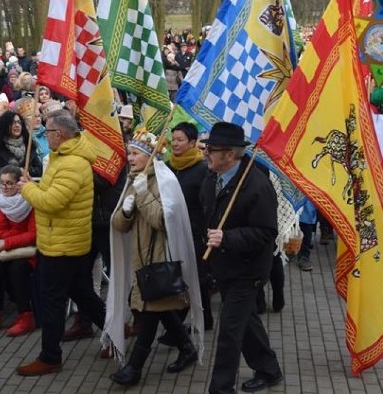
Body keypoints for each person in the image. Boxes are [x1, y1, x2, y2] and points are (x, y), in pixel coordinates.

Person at [103, 131, 202, 387]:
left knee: (148, 312)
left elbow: (161, 219)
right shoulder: (134, 179)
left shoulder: (164, 181)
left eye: (135, 153)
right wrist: (125, 213)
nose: (130, 158)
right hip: (140, 260)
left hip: (159, 258)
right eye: (130, 153)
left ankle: (134, 369)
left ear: (150, 156)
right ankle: (186, 347)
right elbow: (118, 224)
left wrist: (143, 194)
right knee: (160, 308)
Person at [15, 110, 107, 376]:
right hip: (61, 241)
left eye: (49, 131)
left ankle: (50, 356)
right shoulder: (62, 158)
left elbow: (53, 202)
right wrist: (35, 185)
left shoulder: (72, 163)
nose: (46, 135)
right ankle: (114, 332)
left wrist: (27, 189)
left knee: (53, 301)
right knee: (83, 294)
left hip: (62, 245)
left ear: (62, 134)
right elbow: (51, 192)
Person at [201, 122, 283, 394]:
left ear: (229, 155)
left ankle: (221, 388)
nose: (206, 154)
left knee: (230, 330)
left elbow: (267, 232)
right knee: (246, 320)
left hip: (248, 271)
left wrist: (228, 238)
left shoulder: (256, 185)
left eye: (211, 150)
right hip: (223, 266)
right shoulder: (213, 176)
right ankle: (269, 369)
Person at [0, 165, 37, 338]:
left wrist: (7, 243)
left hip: (23, 251)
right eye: (2, 183)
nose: (4, 187)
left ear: (19, 184)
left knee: (17, 269)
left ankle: (25, 315)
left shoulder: (30, 201)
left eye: (9, 183)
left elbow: (33, 234)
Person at [166, 121, 214, 330]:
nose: (175, 144)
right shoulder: (168, 167)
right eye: (173, 139)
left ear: (193, 143)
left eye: (180, 140)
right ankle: (206, 319)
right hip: (171, 230)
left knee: (195, 277)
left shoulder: (203, 169)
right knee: (191, 278)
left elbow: (208, 205)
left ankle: (181, 324)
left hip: (195, 232)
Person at [0, 110, 43, 184]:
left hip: (26, 189)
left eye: (19, 122)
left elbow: (39, 170)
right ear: (5, 125)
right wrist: (13, 171)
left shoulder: (29, 145)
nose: (17, 125)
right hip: (5, 190)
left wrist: (26, 171)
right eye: (13, 123)